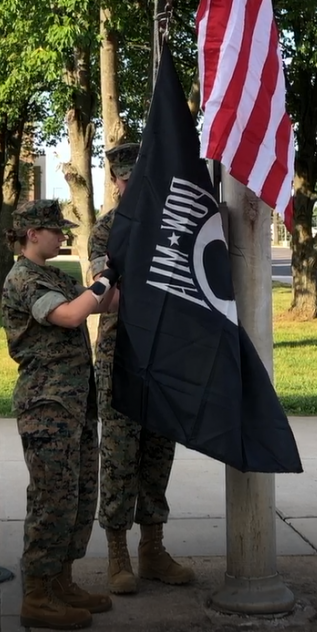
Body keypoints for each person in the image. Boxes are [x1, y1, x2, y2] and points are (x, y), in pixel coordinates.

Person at [2, 199, 118, 631]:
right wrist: (103, 285)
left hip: (74, 402)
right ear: (33, 234)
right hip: (47, 406)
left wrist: (113, 274)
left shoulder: (53, 274)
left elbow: (102, 304)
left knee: (79, 495)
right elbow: (70, 316)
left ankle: (62, 580)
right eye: (55, 230)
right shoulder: (24, 277)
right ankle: (37, 593)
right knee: (52, 500)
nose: (62, 236)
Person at [89, 143, 194, 594]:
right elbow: (103, 295)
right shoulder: (107, 231)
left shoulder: (174, 228)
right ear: (115, 182)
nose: (129, 186)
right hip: (121, 356)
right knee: (118, 456)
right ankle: (118, 554)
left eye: (137, 179)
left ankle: (153, 549)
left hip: (165, 356)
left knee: (158, 454)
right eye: (123, 179)